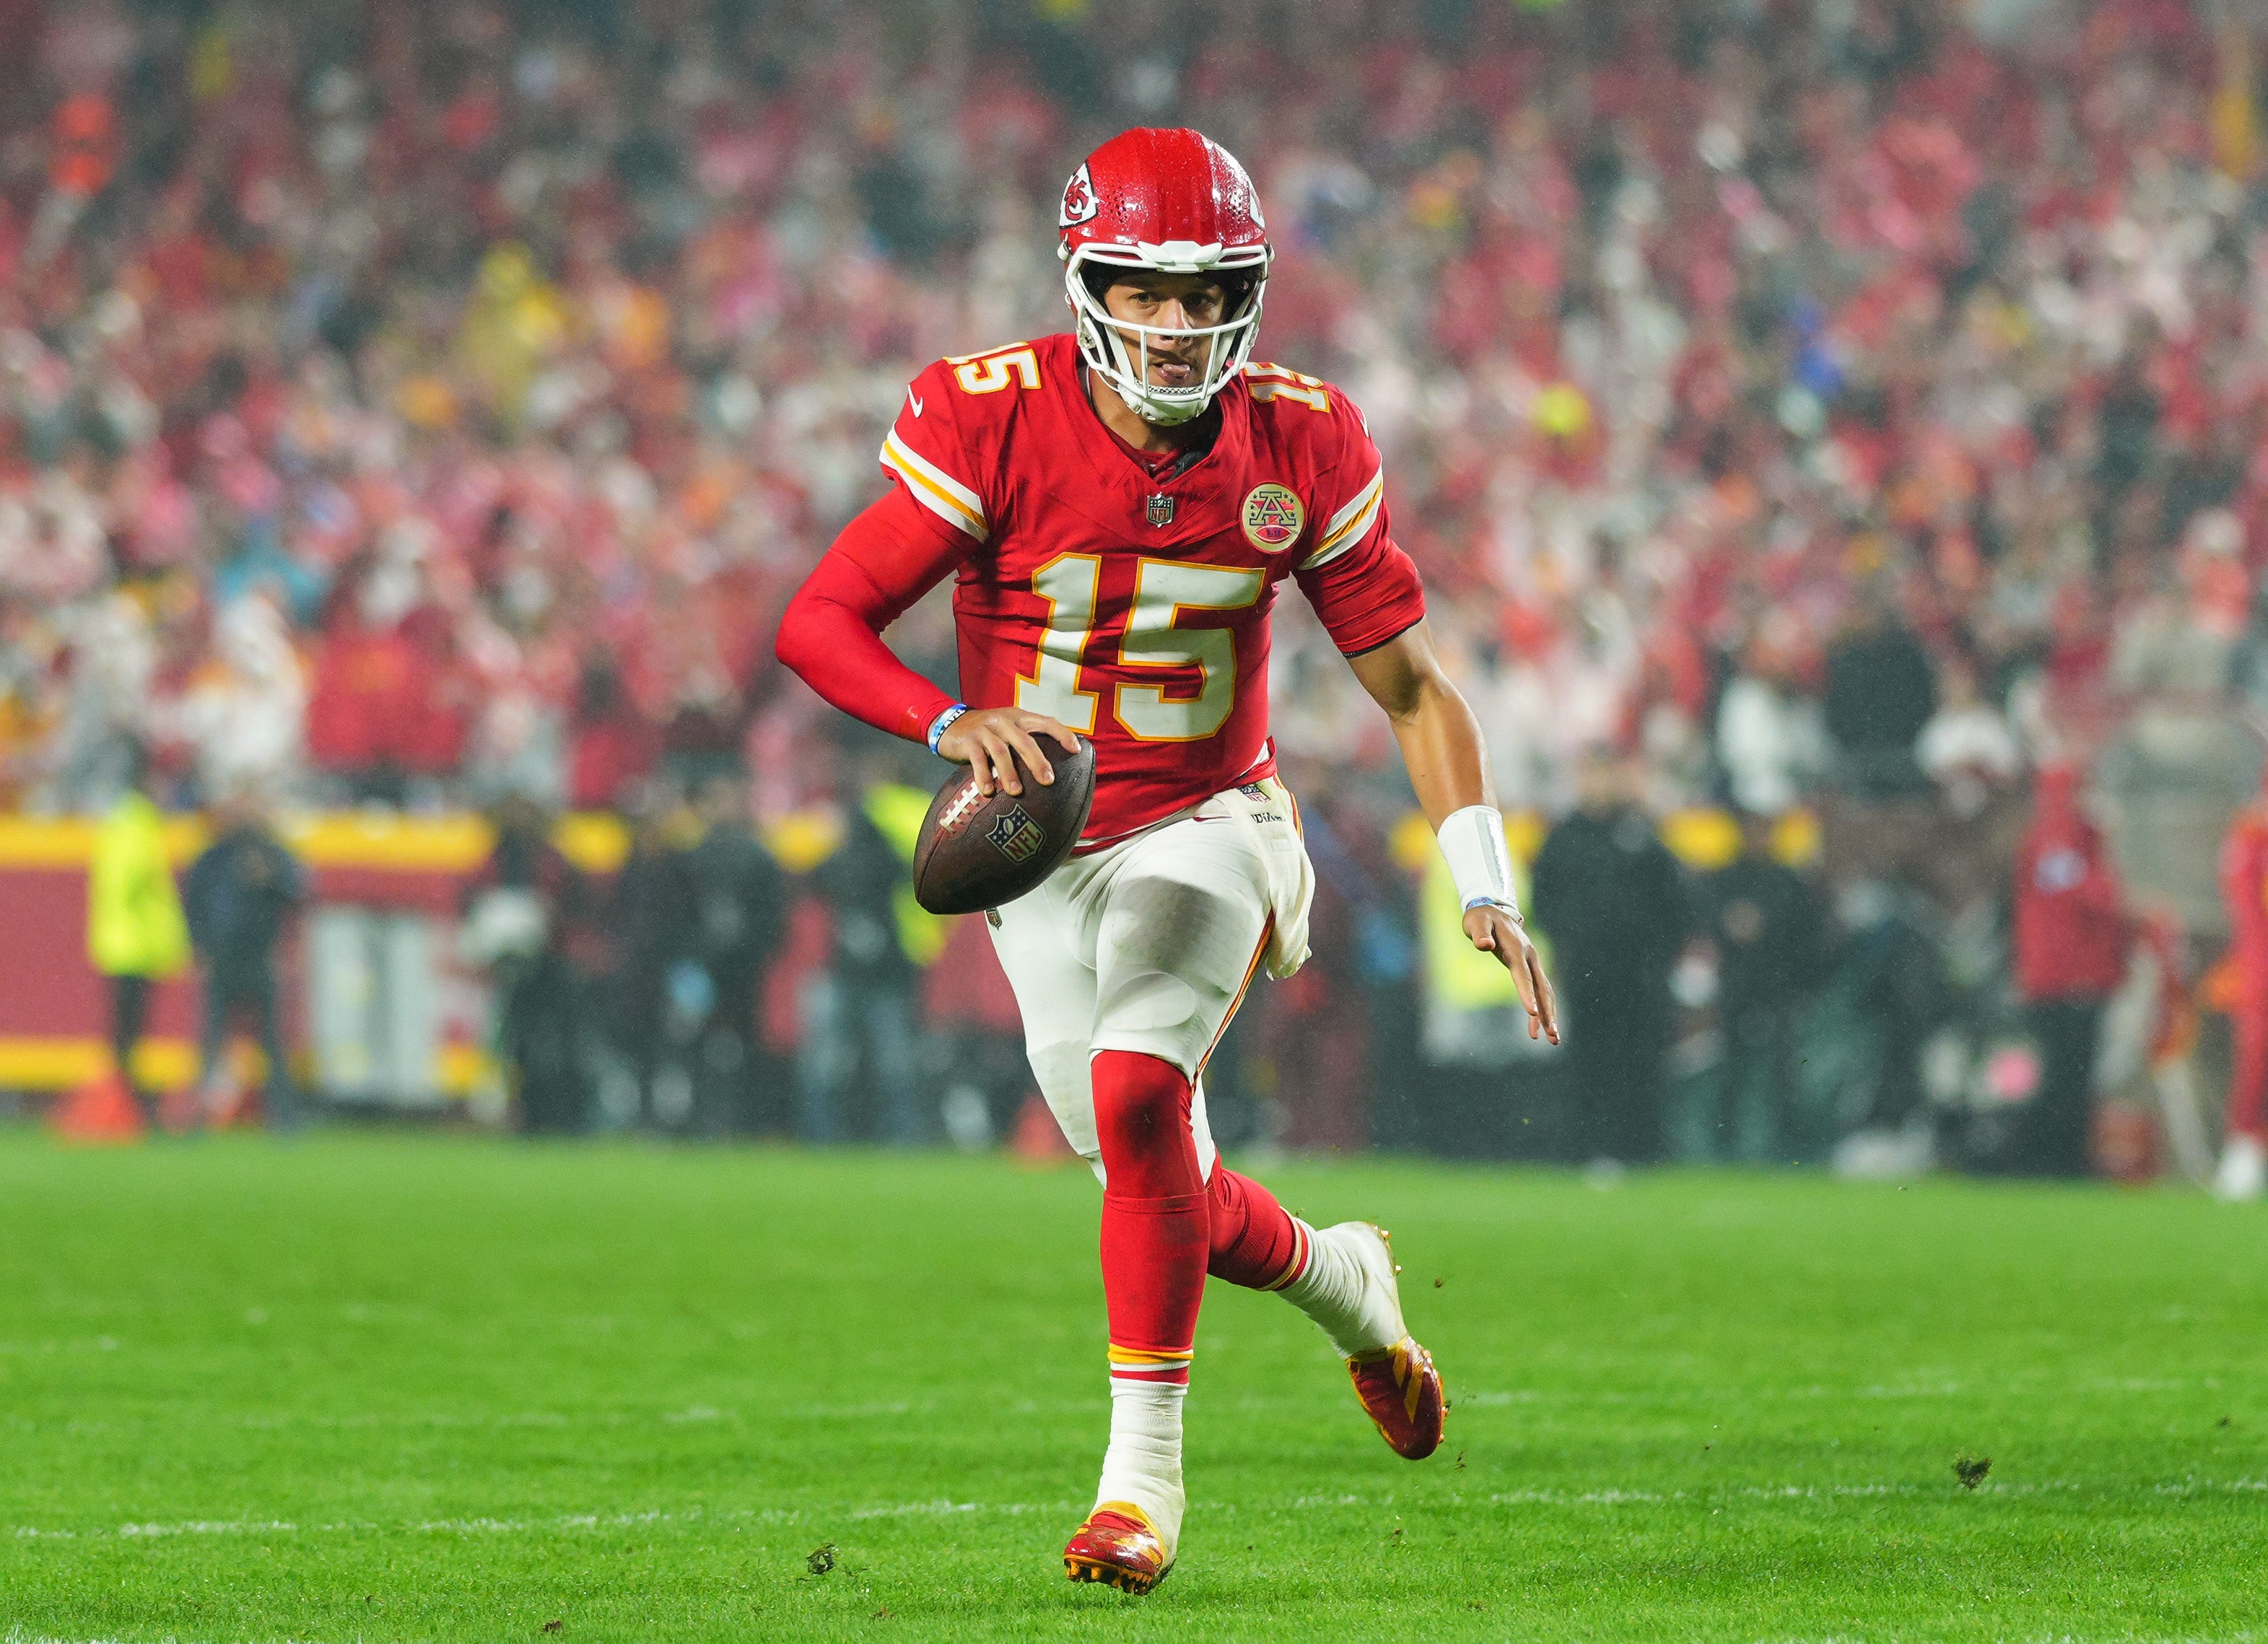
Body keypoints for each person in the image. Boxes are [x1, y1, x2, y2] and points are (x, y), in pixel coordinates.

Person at [775, 127, 1557, 1593]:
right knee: (1154, 1180)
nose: (1177, 325)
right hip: (1042, 848)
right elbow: (817, 620)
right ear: (1086, 284)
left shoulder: (1301, 435)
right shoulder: (986, 412)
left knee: (1140, 1092)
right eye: (1145, 289)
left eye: (1209, 297)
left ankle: (1137, 1490)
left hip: (1214, 822)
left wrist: (1483, 880)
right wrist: (948, 719)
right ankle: (1349, 1285)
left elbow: (1410, 686)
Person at [1530, 748, 1689, 1165]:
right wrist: (1573, 942)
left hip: (1639, 975)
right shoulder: (1564, 837)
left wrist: (1657, 953)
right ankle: (1586, 1149)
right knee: (1588, 1061)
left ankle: (1639, 1151)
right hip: (1587, 973)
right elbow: (1543, 902)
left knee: (1638, 1062)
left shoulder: (1641, 834)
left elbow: (1673, 903)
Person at [2008, 765, 2130, 1177]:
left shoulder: (2059, 838)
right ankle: (2056, 1163)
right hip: (2068, 979)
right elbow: (2091, 898)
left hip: (2061, 978)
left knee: (2067, 1077)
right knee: (2067, 1078)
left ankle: (2059, 1161)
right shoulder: (2062, 838)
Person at [461, 794, 593, 1134]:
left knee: (555, 1043)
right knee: (517, 1043)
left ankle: (560, 1114)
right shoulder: (500, 861)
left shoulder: (550, 862)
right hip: (513, 966)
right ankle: (528, 1113)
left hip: (550, 964)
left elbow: (575, 911)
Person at [1700, 810, 1822, 1163]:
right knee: (1731, 1073)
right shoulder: (1724, 879)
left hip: (1778, 989)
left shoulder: (1789, 882)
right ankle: (1725, 1147)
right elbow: (1703, 925)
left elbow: (1807, 937)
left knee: (1785, 1074)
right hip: (1735, 988)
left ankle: (1788, 1149)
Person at [183, 788, 308, 1129]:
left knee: (271, 1042)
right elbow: (193, 901)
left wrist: (270, 877)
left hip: (259, 955)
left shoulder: (271, 854)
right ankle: (200, 1116)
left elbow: (299, 890)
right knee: (211, 1040)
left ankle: (283, 1116)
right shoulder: (214, 856)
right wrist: (198, 944)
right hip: (224, 955)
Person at [85, 746, 190, 1124]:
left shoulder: (119, 819)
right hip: (134, 943)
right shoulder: (137, 820)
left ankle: (123, 1106)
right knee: (129, 1034)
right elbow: (133, 878)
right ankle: (125, 1109)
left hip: (119, 941)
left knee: (125, 1033)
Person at [679, 773, 786, 1137]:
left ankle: (748, 1120)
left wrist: (759, 951)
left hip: (743, 966)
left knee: (746, 1044)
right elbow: (679, 912)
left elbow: (773, 913)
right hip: (706, 966)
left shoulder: (754, 856)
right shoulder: (693, 858)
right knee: (698, 1044)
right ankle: (703, 1119)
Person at [2213, 775, 2268, 1199]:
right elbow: (2249, 917)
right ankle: (2243, 1149)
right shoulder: (2250, 839)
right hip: (2260, 972)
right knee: (2256, 1059)